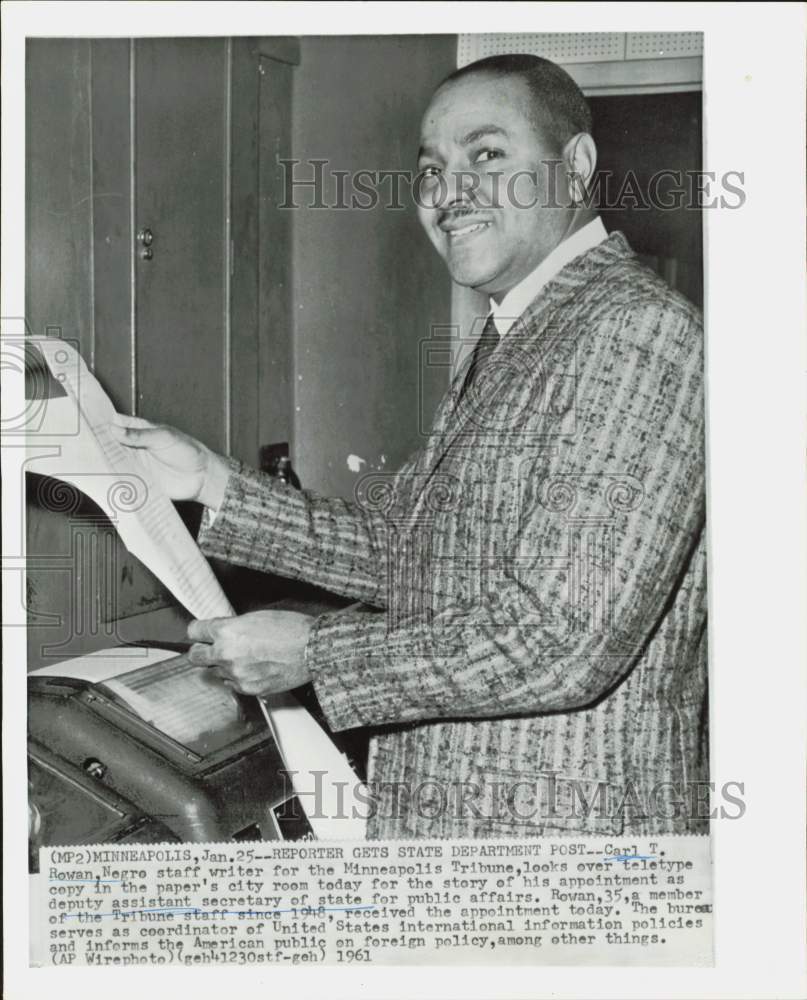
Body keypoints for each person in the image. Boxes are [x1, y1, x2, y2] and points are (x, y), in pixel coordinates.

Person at [112, 54, 707, 839]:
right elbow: (416, 554)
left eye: (485, 156)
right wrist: (213, 484)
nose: (446, 192)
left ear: (576, 167)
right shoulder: (524, 330)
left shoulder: (634, 331)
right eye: (431, 169)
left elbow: (562, 640)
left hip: (561, 847)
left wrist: (318, 651)